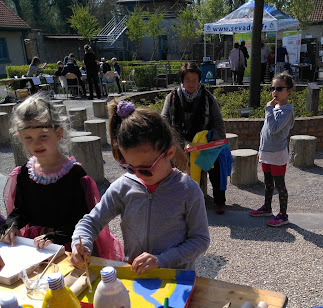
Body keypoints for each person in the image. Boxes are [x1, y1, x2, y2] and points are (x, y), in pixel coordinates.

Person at [70, 100, 210, 274]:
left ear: (169, 153)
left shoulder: (188, 190)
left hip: (175, 279)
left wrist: (161, 260)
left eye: (145, 169)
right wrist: (79, 243)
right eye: (129, 167)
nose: (137, 174)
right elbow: (90, 222)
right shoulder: (123, 187)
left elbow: (200, 240)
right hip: (136, 277)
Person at [0, 94, 88, 249]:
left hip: (67, 245)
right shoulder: (24, 173)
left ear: (58, 134)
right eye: (28, 138)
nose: (37, 143)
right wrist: (11, 225)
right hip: (36, 246)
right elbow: (21, 210)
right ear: (20, 138)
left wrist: (56, 237)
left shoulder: (74, 174)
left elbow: (83, 218)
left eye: (43, 136)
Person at [161, 62, 228, 214]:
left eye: (194, 80)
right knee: (166, 163)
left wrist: (212, 143)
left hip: (203, 144)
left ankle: (219, 200)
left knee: (217, 163)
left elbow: (218, 123)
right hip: (179, 143)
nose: (191, 83)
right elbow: (163, 122)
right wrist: (177, 143)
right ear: (182, 81)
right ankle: (174, 199)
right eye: (187, 80)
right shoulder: (171, 98)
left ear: (199, 80)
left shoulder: (208, 98)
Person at [249, 73, 295, 227]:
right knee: (268, 183)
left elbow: (274, 128)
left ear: (289, 90)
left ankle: (283, 215)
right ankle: (267, 208)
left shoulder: (287, 110)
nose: (275, 91)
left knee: (279, 184)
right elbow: (265, 131)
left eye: (279, 88)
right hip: (266, 152)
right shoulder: (274, 108)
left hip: (277, 153)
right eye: (273, 88)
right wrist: (261, 150)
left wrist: (268, 110)